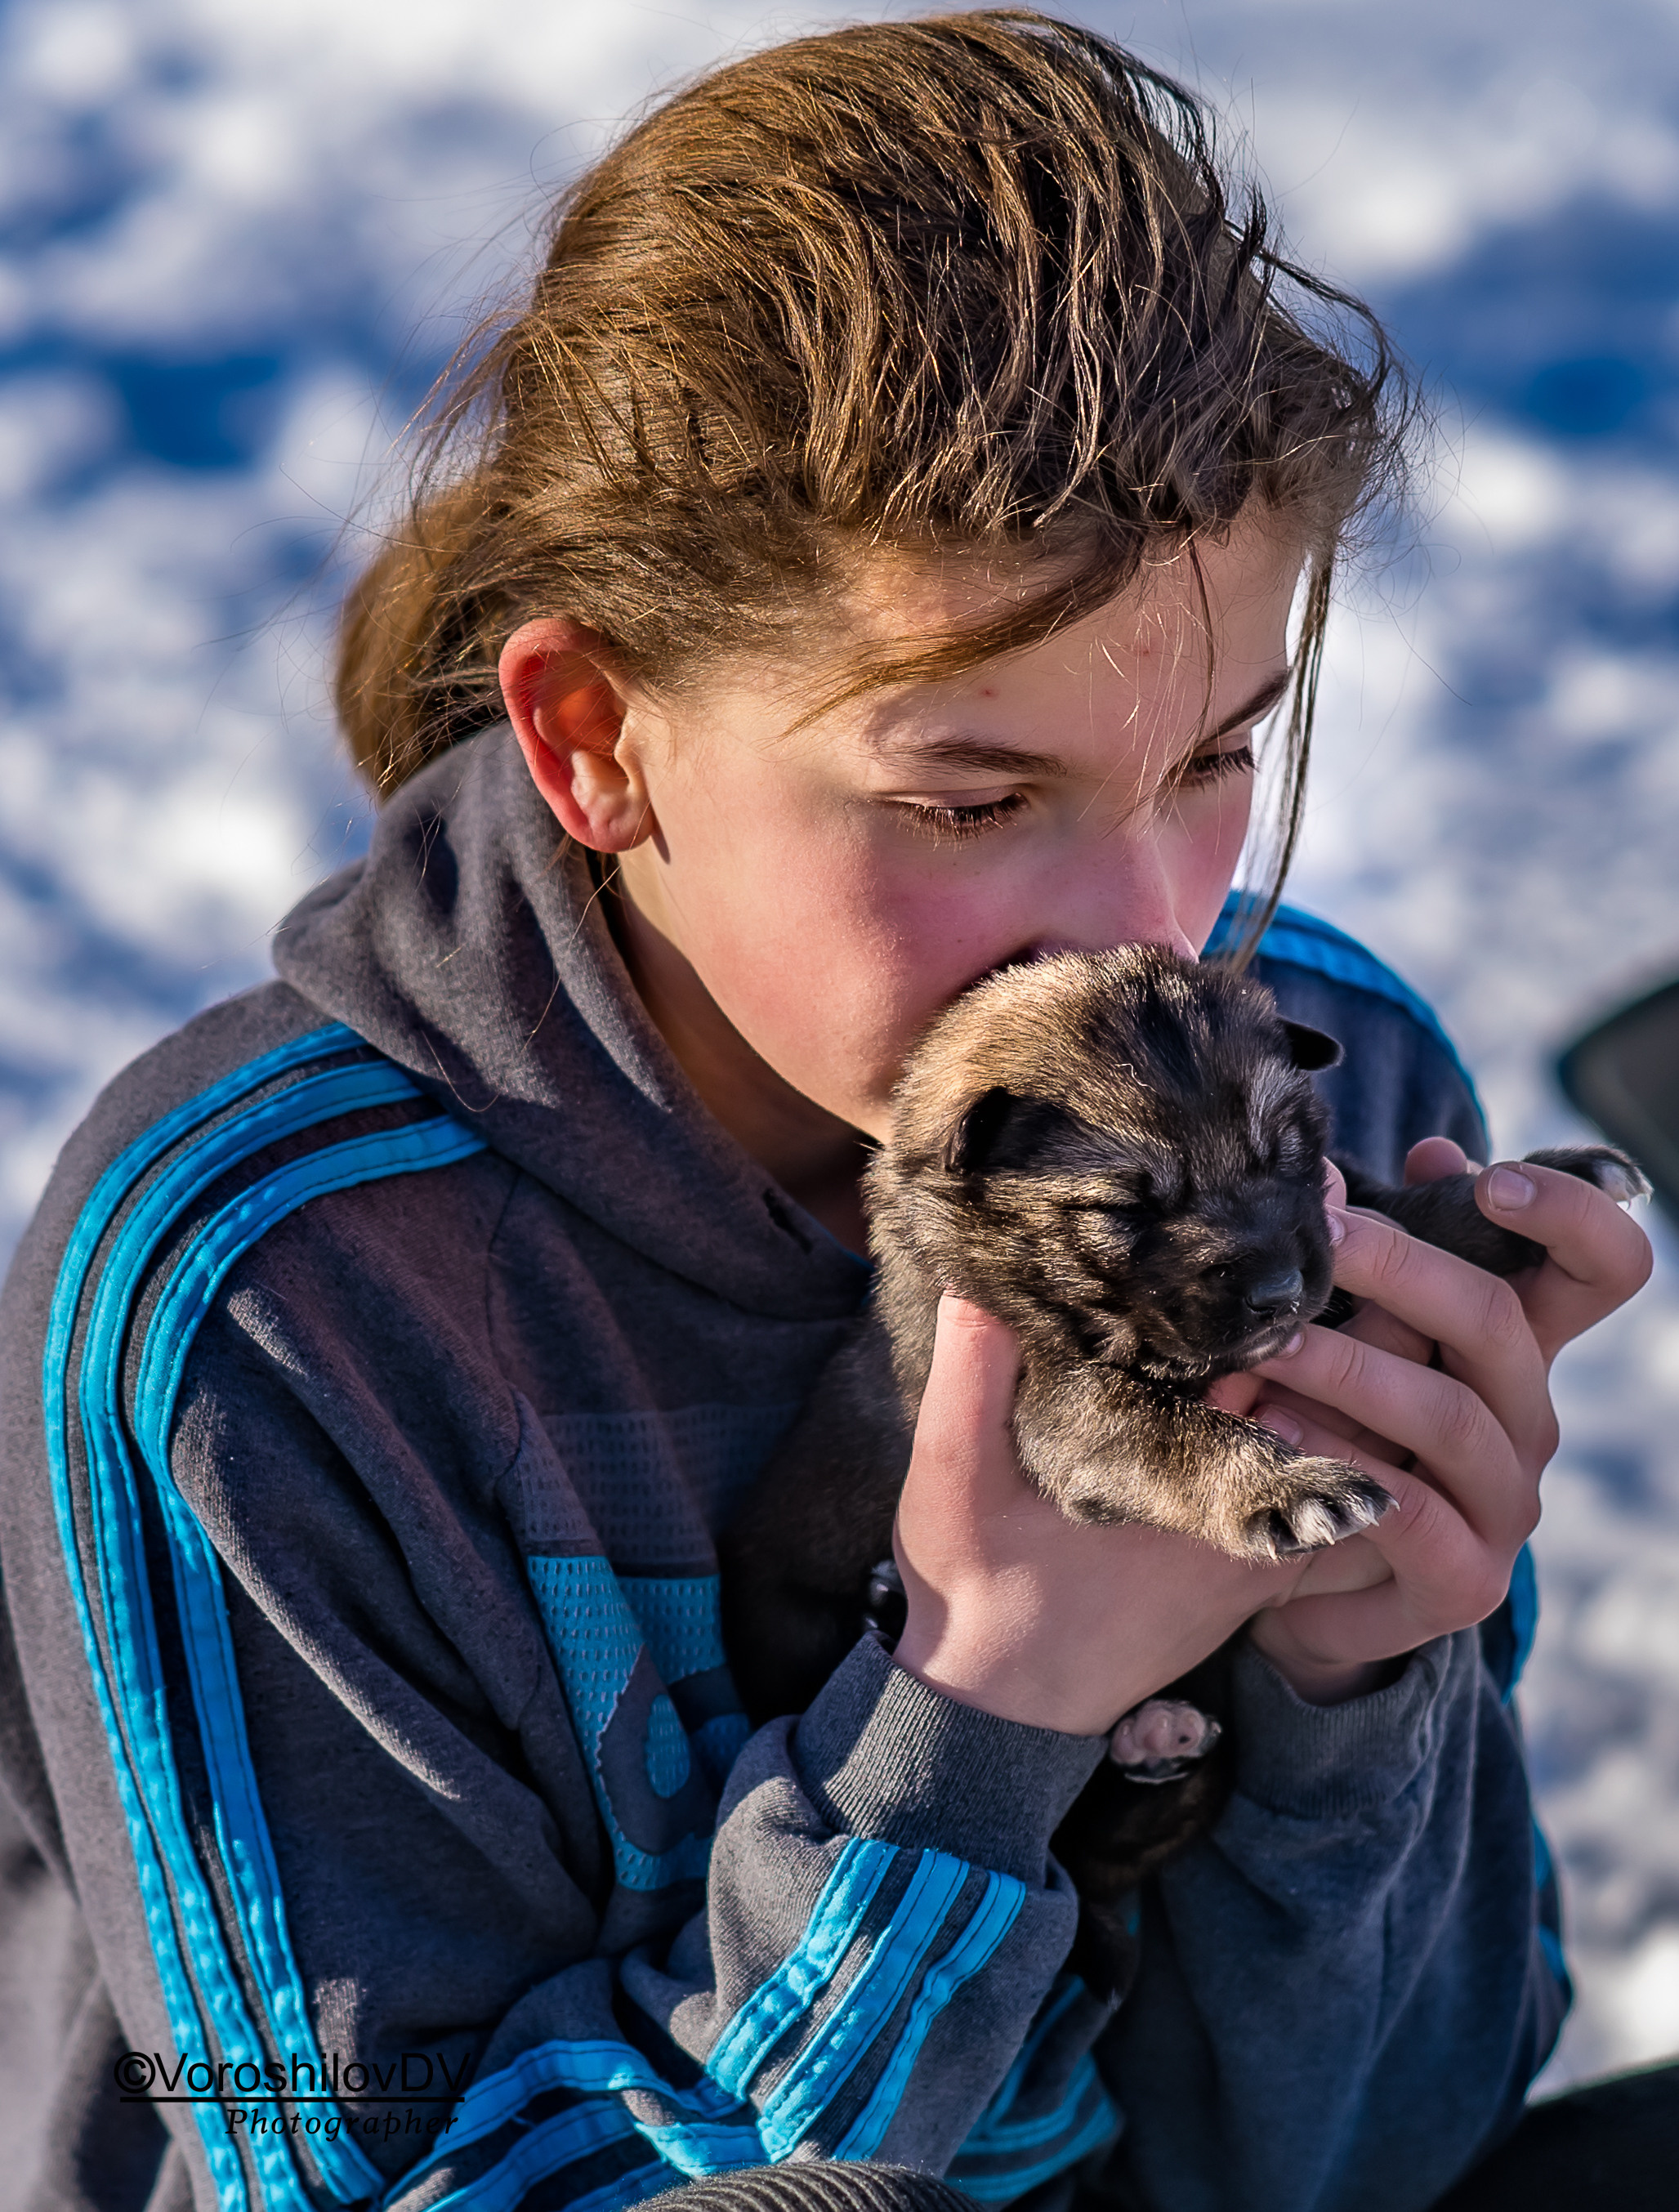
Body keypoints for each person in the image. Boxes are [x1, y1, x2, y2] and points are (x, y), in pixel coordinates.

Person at [0, 14, 1652, 2212]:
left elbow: (1371, 2165)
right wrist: (985, 1716)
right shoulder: (265, 1302)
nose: (1140, 930)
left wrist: (1360, 1684)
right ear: (596, 740)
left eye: (1213, 761)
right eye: (970, 798)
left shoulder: (1304, 1088)